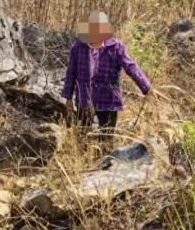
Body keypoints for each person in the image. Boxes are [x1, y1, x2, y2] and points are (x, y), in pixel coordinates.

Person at [61, 10, 152, 139]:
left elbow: (130, 66)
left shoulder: (116, 47)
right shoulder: (78, 47)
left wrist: (146, 87)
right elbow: (71, 72)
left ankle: (105, 157)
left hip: (108, 99)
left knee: (106, 137)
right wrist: (68, 98)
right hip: (84, 99)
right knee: (83, 137)